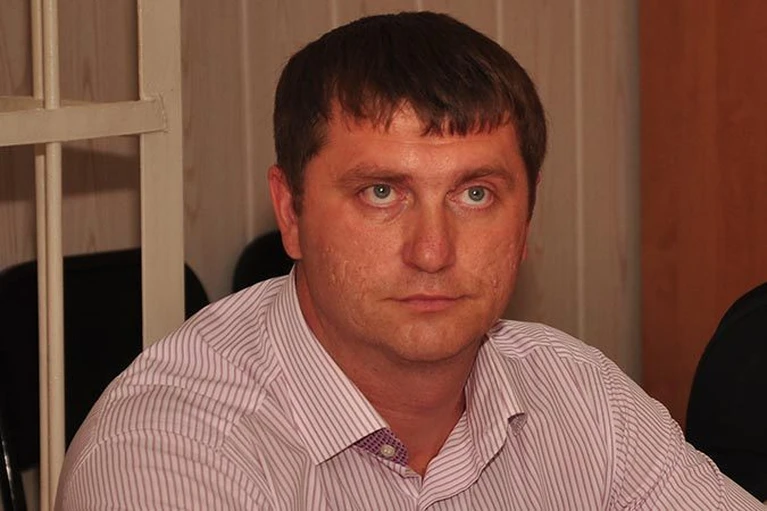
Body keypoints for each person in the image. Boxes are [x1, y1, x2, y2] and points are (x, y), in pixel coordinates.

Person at [56, 11, 762, 510]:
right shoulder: (166, 452)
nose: (432, 251)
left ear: (526, 218)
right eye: (381, 192)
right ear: (291, 212)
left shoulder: (584, 399)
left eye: (475, 194)